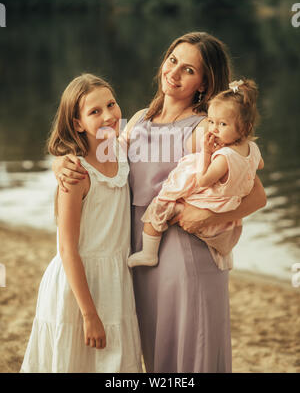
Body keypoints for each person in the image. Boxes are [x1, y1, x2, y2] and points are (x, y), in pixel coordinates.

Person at [53, 32, 266, 373]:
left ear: (204, 84)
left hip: (184, 255)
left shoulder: (204, 129)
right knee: (156, 357)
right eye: (172, 61)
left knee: (189, 357)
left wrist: (205, 214)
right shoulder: (138, 121)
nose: (174, 73)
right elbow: (101, 164)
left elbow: (256, 194)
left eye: (189, 70)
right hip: (139, 254)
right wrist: (62, 162)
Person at [20, 74, 142, 373]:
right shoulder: (76, 173)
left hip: (115, 281)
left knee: (115, 362)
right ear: (76, 123)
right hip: (77, 285)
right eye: (95, 112)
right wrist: (89, 314)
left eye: (111, 104)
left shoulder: (124, 153)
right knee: (73, 361)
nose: (110, 115)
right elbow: (67, 249)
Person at [127, 78, 264, 270]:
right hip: (224, 204)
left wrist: (207, 153)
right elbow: (257, 164)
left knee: (161, 207)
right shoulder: (252, 149)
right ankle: (223, 252)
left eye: (222, 124)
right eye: (212, 121)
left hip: (204, 211)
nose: (213, 129)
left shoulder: (217, 149)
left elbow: (204, 180)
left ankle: (149, 253)